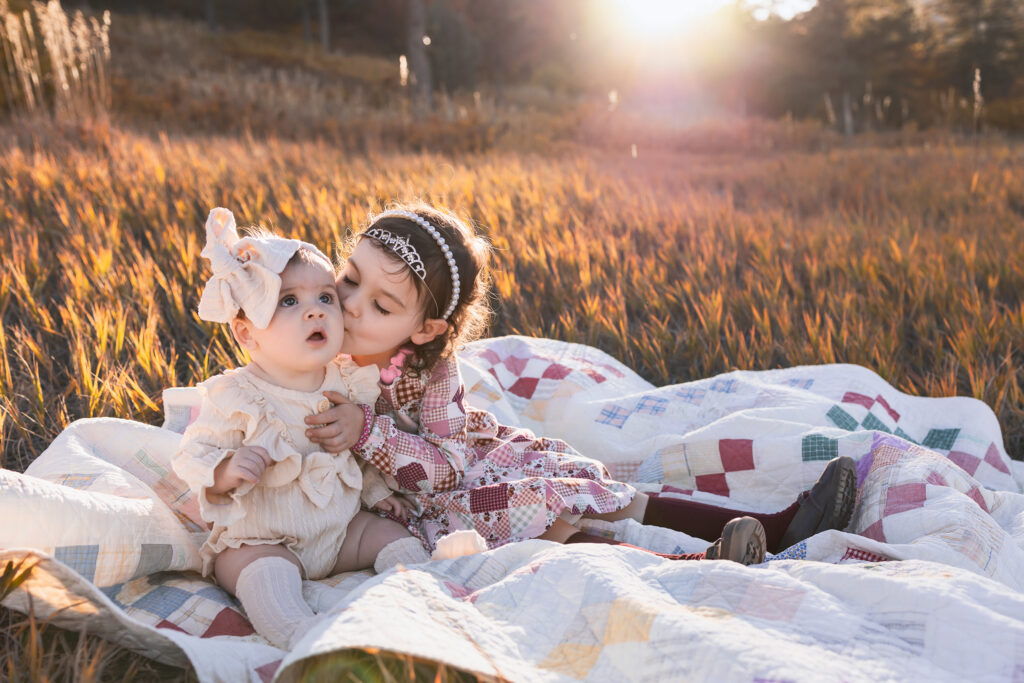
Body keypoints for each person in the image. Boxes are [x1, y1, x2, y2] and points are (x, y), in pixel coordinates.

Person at [304, 203, 857, 567]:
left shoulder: (429, 370)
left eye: (380, 304)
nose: (348, 304)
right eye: (349, 278)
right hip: (403, 516)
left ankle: (773, 525)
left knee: (591, 495)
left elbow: (447, 464)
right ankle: (700, 564)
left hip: (453, 477)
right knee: (551, 537)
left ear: (424, 329)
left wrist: (368, 433)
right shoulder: (310, 343)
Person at [172, 208, 426, 650]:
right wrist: (227, 468)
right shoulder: (237, 396)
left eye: (326, 297)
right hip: (264, 536)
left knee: (390, 536)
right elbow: (192, 454)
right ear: (247, 334)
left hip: (340, 529)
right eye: (289, 301)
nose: (315, 312)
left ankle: (426, 597)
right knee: (261, 572)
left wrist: (377, 494)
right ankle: (301, 636)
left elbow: (353, 455)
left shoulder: (345, 383)